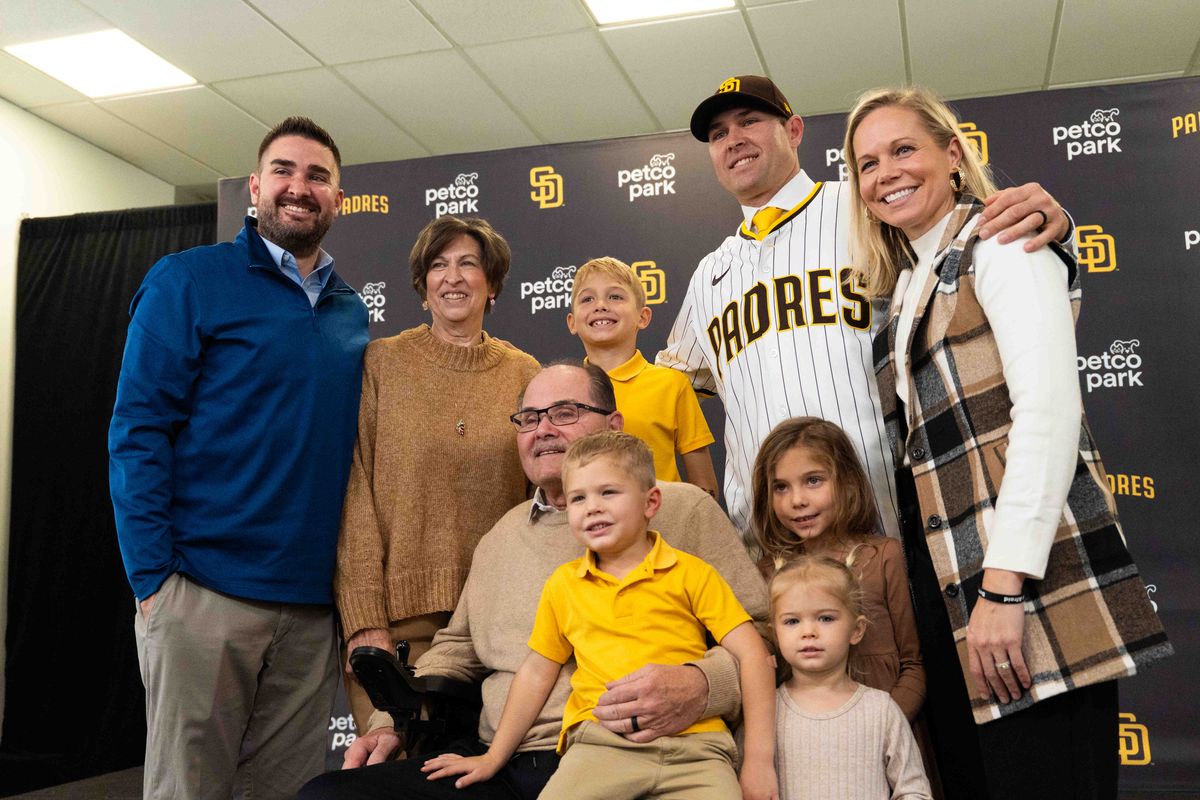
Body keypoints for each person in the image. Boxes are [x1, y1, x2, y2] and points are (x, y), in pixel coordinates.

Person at [843, 85, 1172, 798]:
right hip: (949, 586)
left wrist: (1003, 587)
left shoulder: (1005, 240)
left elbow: (1048, 412)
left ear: (953, 156)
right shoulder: (902, 287)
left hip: (1024, 583)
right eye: (867, 163)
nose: (886, 172)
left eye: (904, 149)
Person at [299, 363, 768, 800]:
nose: (543, 429)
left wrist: (702, 684)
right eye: (529, 419)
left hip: (631, 749)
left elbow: (765, 636)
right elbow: (456, 648)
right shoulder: (501, 536)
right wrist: (389, 722)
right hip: (499, 759)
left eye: (564, 413)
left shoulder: (679, 509)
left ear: (614, 426)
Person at [658, 74, 1073, 544]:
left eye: (749, 121)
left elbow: (962, 245)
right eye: (718, 135)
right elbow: (668, 385)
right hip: (769, 539)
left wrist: (1052, 226)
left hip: (893, 512)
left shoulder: (864, 207)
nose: (733, 141)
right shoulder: (709, 273)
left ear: (793, 131)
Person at [108, 117, 368, 799]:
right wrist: (152, 583)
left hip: (312, 612)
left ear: (338, 197)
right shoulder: (189, 281)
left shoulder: (350, 313)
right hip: (201, 594)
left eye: (318, 176)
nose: (299, 187)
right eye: (283, 171)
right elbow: (139, 430)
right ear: (256, 187)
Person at [422, 431, 777, 800]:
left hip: (699, 750)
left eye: (608, 492)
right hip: (600, 747)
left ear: (651, 502)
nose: (592, 507)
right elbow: (535, 673)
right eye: (578, 498)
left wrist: (758, 762)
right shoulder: (564, 585)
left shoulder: (692, 573)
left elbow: (754, 656)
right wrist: (493, 757)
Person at [336, 215, 540, 735]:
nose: (453, 276)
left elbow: (542, 505)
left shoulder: (526, 375)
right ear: (423, 286)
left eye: (468, 264)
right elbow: (354, 493)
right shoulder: (381, 363)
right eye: (438, 265)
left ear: (491, 284)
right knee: (394, 776)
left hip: (501, 627)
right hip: (400, 629)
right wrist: (364, 621)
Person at [751, 417, 940, 794]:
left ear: (847, 481)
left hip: (889, 745)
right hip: (804, 751)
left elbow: (914, 663)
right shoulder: (766, 572)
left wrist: (875, 729)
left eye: (813, 481)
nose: (797, 500)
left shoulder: (883, 556)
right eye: (781, 487)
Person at [771, 556, 931, 800]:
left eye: (825, 618)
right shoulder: (766, 712)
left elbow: (914, 790)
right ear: (775, 633)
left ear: (856, 630)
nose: (808, 632)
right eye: (792, 621)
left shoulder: (881, 709)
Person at [566, 256, 718, 495]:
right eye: (587, 298)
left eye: (615, 296)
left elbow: (704, 486)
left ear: (643, 316)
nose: (601, 305)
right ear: (572, 322)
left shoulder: (671, 384)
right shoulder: (563, 392)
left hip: (664, 527)